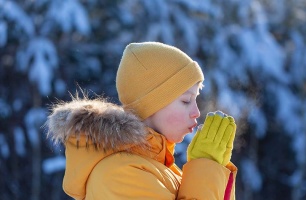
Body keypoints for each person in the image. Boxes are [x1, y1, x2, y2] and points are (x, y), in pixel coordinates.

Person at [46, 42, 237, 199]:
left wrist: (214, 170)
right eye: (186, 100)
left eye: (196, 99)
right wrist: (205, 168)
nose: (196, 112)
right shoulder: (118, 175)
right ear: (152, 104)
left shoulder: (162, 169)